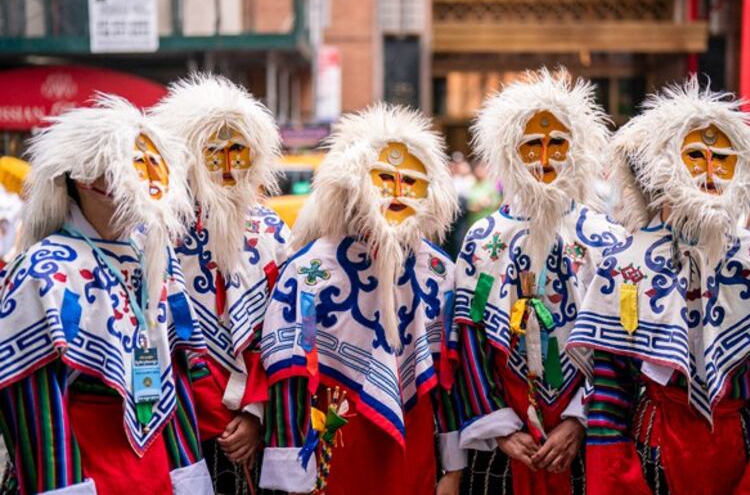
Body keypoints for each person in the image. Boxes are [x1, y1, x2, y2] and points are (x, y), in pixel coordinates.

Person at [567, 77, 750, 494]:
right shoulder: (625, 261)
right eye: (694, 155)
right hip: (651, 452)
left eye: (722, 158)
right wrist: (616, 477)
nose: (709, 171)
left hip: (743, 452)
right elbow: (607, 393)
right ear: (665, 164)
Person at [0, 96, 212, 494]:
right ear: (85, 178)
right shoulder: (46, 268)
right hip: (86, 468)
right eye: (135, 166)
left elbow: (177, 374)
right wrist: (62, 485)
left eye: (155, 165)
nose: (151, 181)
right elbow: (33, 399)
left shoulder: (155, 258)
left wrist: (188, 474)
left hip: (158, 468)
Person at [258, 103, 466, 494]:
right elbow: (289, 374)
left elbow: (447, 377)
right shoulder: (311, 267)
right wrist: (290, 473)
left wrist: (452, 468)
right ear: (354, 182)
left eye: (411, 181)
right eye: (384, 178)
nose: (398, 192)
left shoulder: (438, 270)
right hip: (336, 434)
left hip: (415, 439)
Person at [453, 68, 623, 495]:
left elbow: (621, 342)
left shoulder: (606, 239)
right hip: (502, 447)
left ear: (577, 151)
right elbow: (469, 339)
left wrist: (580, 418)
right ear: (510, 154)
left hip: (587, 436)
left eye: (557, 144)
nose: (545, 158)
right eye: (531, 145)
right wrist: (500, 427)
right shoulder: (482, 239)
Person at [151, 74, 291, 493]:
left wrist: (254, 412)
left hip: (255, 426)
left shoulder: (272, 233)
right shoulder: (156, 233)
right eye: (214, 153)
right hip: (172, 424)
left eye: (238, 152)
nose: (229, 166)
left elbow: (288, 335)